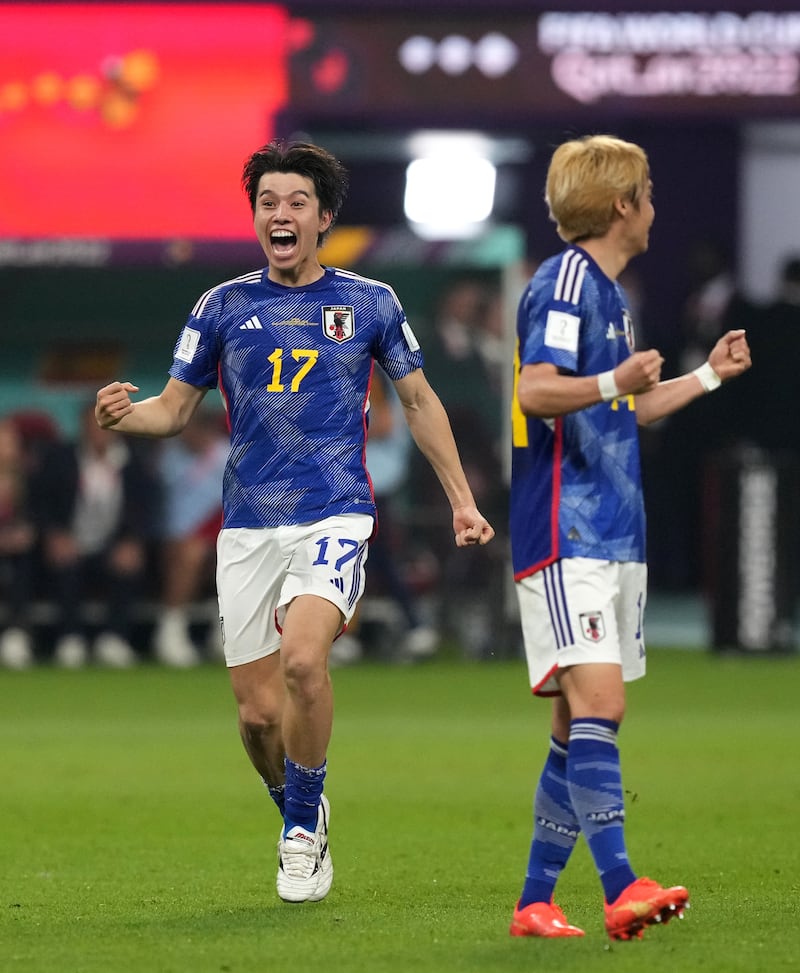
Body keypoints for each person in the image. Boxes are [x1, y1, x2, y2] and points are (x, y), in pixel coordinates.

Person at [95, 139, 494, 904]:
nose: (280, 214)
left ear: (324, 218)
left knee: (305, 663)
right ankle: (301, 810)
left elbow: (418, 400)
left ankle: (303, 836)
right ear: (256, 217)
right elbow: (174, 410)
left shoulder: (371, 302)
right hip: (246, 526)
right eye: (268, 203)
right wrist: (126, 416)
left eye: (296, 203)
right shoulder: (221, 306)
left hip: (334, 513)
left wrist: (461, 499)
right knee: (255, 719)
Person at [508, 134, 751, 941]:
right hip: (564, 528)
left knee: (574, 724)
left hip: (612, 531)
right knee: (601, 705)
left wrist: (707, 376)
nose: (654, 206)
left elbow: (625, 407)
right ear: (621, 204)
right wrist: (615, 379)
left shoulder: (612, 295)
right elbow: (537, 390)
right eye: (646, 191)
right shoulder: (566, 281)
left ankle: (534, 904)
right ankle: (621, 885)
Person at [36, 400, 160, 668]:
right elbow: (41, 504)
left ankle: (114, 638)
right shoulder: (60, 459)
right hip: (71, 542)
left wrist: (134, 541)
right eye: (93, 425)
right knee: (65, 567)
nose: (100, 431)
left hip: (113, 544)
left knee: (128, 563)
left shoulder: (135, 461)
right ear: (82, 427)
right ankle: (71, 638)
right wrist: (54, 535)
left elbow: (148, 507)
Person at [151, 407, 228, 667]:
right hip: (173, 536)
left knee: (234, 555)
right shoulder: (167, 457)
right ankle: (171, 630)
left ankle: (227, 631)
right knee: (190, 554)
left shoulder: (226, 454)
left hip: (221, 535)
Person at [0, 416, 37, 669]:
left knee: (23, 562)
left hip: (17, 552)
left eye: (10, 440)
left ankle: (16, 634)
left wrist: (25, 534)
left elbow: (36, 518)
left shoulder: (29, 477)